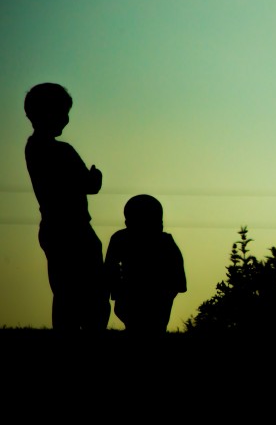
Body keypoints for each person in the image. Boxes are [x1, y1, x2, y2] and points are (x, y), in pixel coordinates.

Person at [24, 82, 110, 332]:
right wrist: (96, 178)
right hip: (75, 229)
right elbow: (88, 185)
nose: (66, 119)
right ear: (49, 114)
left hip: (52, 228)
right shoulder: (62, 151)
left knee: (64, 292)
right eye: (63, 112)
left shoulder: (32, 148)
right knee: (94, 291)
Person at [106, 194, 186, 336]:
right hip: (135, 297)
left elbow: (177, 281)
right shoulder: (121, 239)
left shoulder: (121, 239)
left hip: (155, 297)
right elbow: (109, 271)